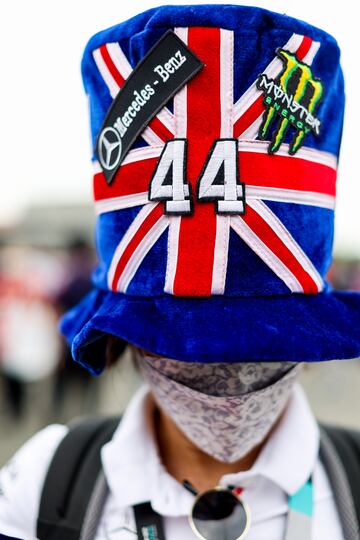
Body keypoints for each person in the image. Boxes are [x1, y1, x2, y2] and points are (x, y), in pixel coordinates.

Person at [1, 4, 360, 540]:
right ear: (121, 341)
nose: (228, 380)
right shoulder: (40, 485)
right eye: (180, 342)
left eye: (262, 343)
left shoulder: (350, 487)